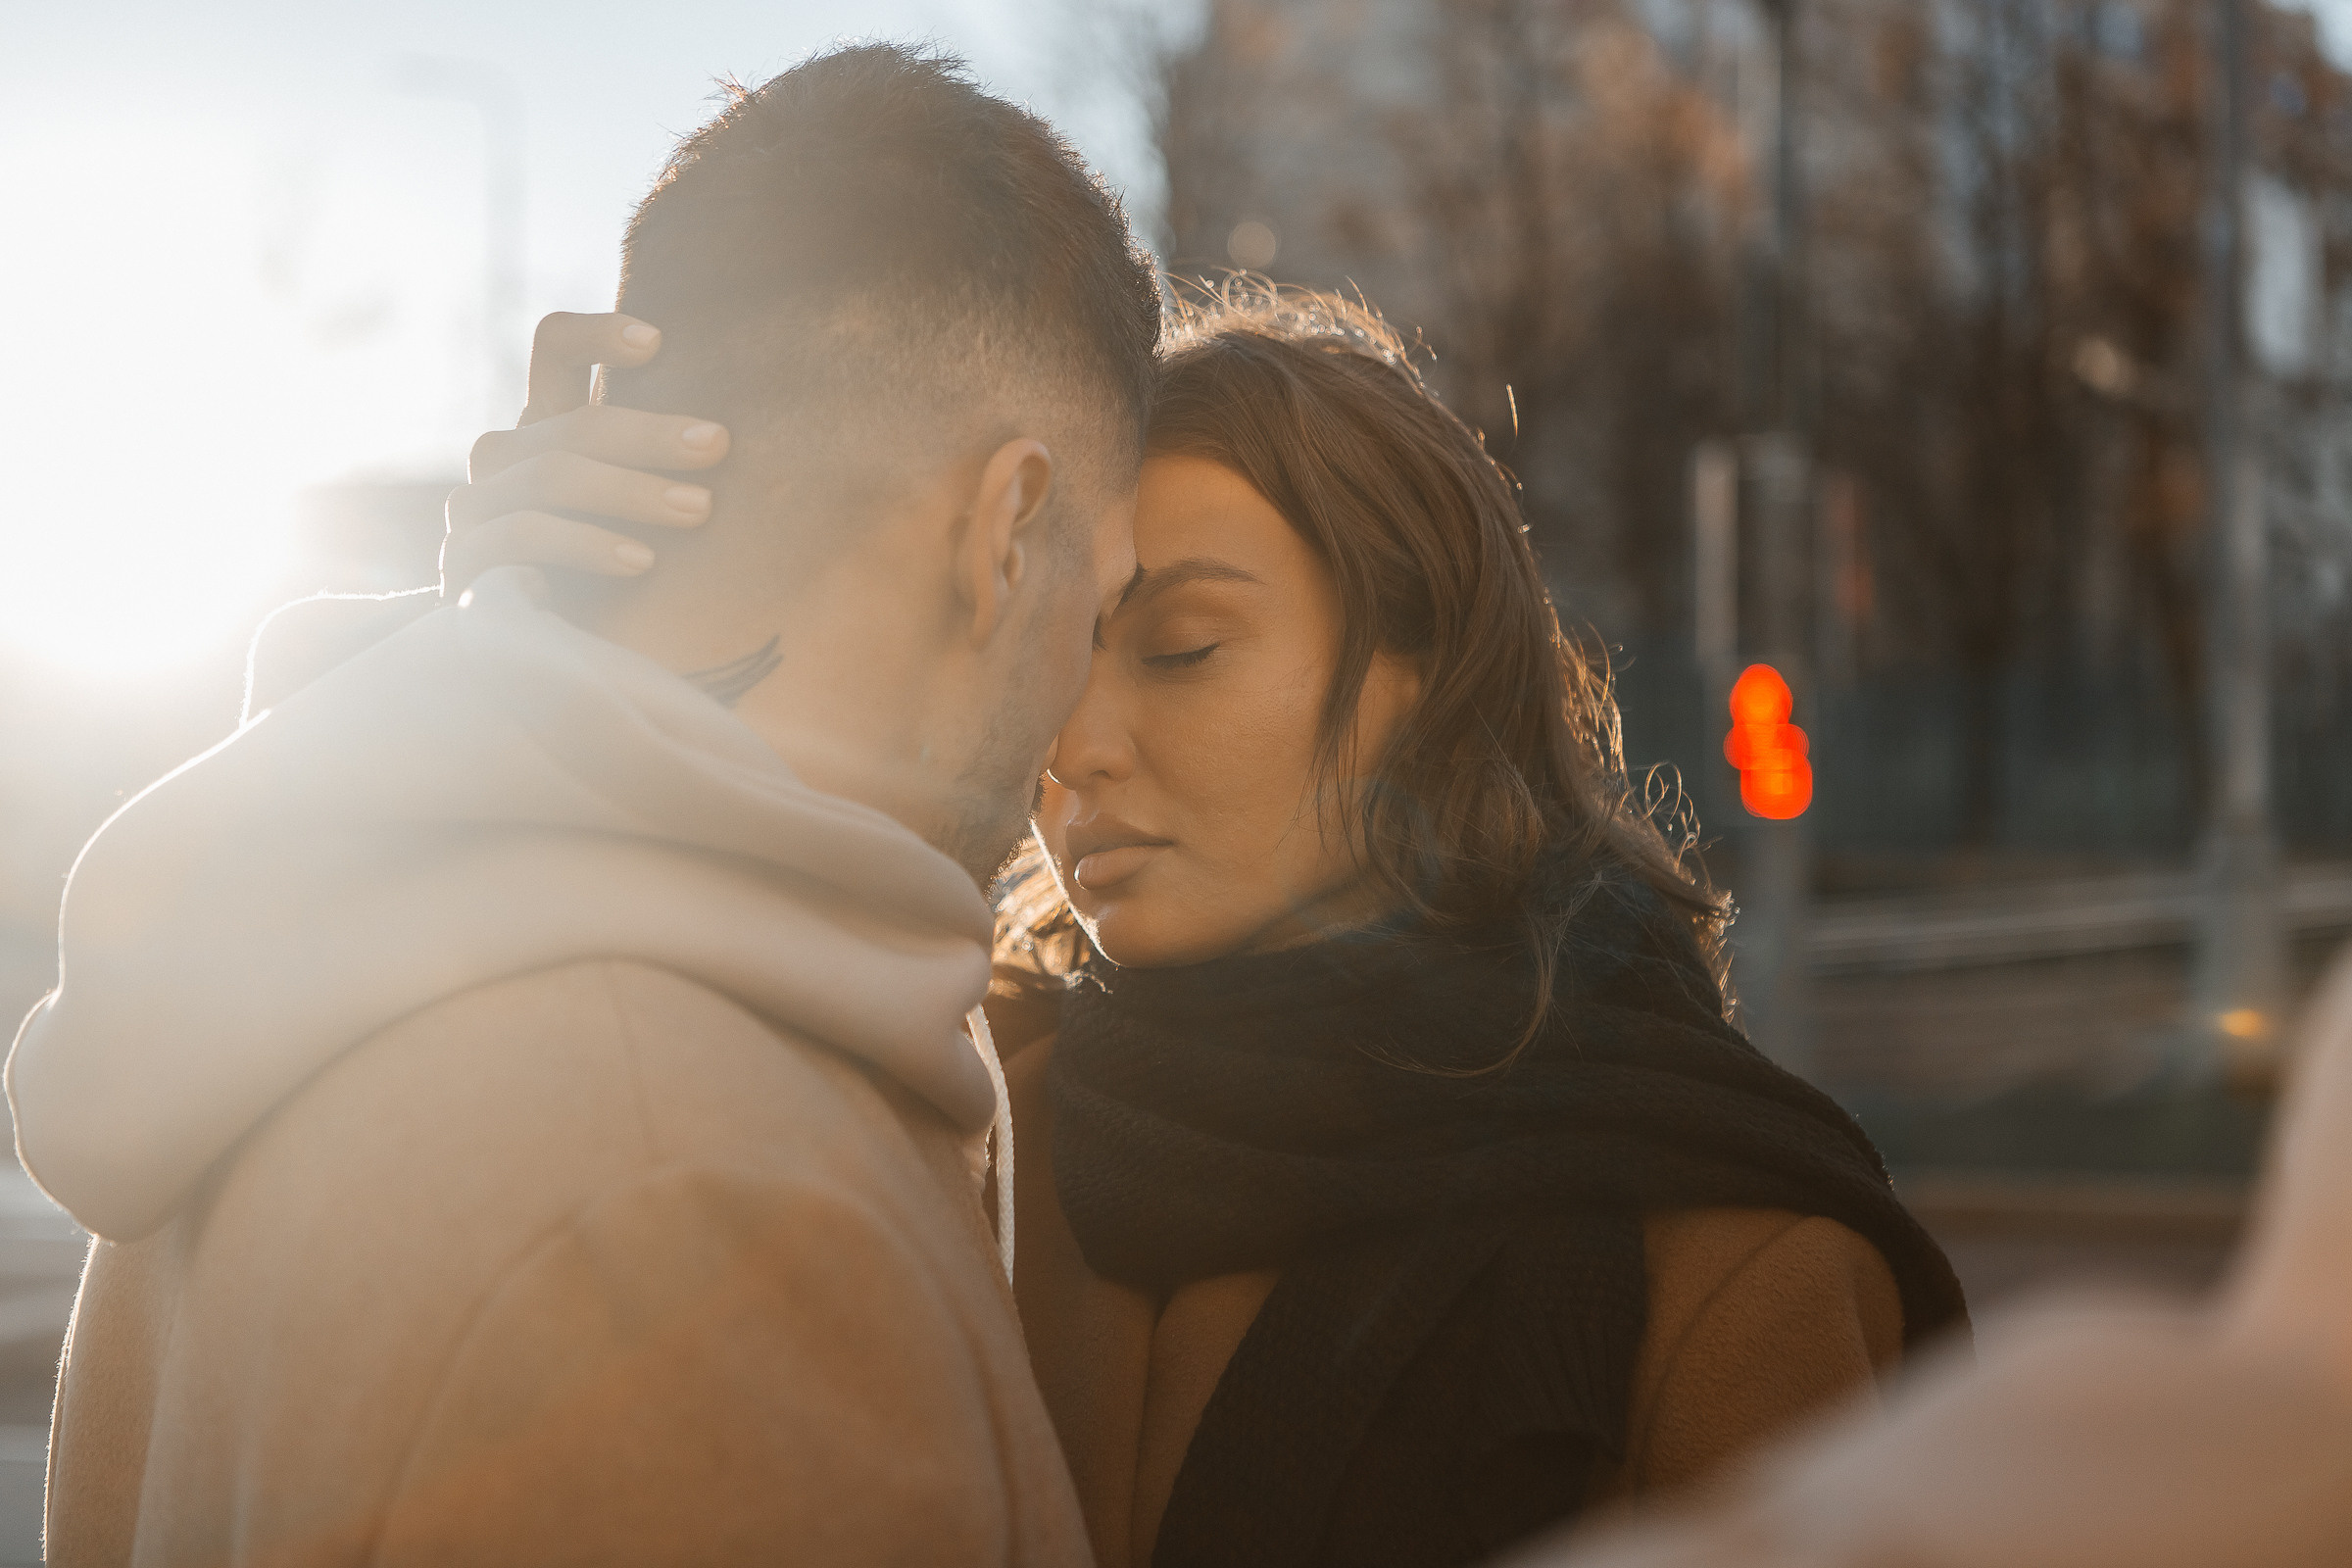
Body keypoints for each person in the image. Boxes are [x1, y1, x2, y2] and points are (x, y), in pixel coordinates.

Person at [426, 282, 1971, 1567]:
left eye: (1181, 648)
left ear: (1427, 666)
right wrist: (526, 690)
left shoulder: (1729, 1268)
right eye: (1057, 660)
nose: (1075, 750)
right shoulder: (946, 1132)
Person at [8, 45, 1157, 1564]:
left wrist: (473, 648)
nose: (1084, 714)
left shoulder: (301, 954)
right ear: (1008, 523)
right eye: (1111, 604)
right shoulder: (703, 1210)